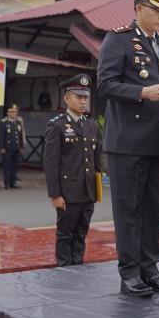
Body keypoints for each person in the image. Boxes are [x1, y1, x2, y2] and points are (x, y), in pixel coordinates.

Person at [96, 0, 159, 297]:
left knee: (153, 208)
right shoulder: (118, 40)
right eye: (156, 10)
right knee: (128, 209)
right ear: (138, 9)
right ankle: (129, 272)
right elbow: (104, 85)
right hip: (128, 142)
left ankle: (150, 268)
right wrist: (142, 92)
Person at [43, 74, 102, 266]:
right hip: (68, 193)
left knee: (81, 233)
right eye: (78, 96)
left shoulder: (92, 125)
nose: (83, 100)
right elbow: (51, 163)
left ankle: (78, 266)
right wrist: (55, 194)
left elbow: (96, 160)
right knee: (65, 234)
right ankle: (64, 270)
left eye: (85, 97)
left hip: (88, 191)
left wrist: (97, 190)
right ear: (66, 98)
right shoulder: (57, 125)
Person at [0, 103, 23, 189]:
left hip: (16, 147)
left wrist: (21, 146)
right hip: (7, 148)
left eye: (15, 112)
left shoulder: (17, 123)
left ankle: (13, 182)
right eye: (12, 112)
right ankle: (7, 183)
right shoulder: (4, 122)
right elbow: (1, 136)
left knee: (15, 166)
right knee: (7, 166)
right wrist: (2, 147)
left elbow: (19, 136)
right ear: (8, 113)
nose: (14, 114)